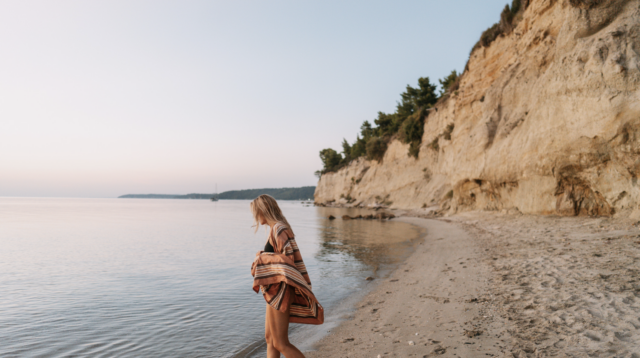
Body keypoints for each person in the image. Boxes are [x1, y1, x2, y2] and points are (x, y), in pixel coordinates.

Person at [250, 195, 324, 358]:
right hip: (275, 290)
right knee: (270, 339)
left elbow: (288, 261)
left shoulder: (279, 228)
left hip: (282, 290)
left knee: (280, 342)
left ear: (263, 210)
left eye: (256, 213)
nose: (255, 217)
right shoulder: (275, 229)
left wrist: (261, 258)